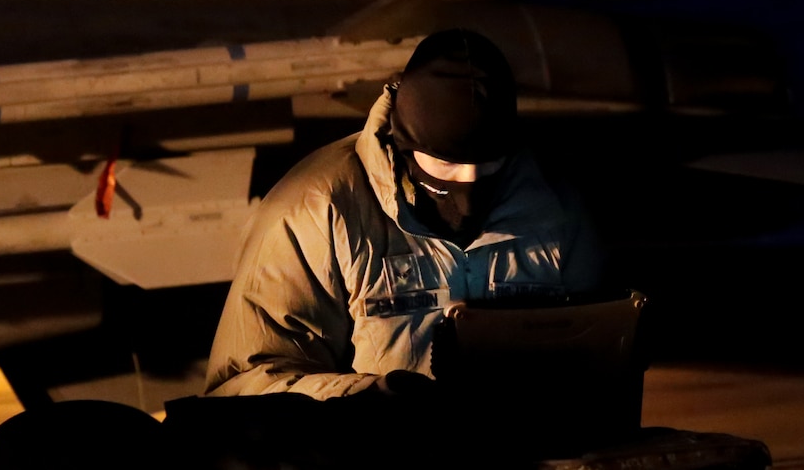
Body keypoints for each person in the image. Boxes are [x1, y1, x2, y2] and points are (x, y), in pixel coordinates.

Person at [203, 27, 609, 401]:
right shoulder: (318, 209)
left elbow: (601, 358)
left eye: (487, 165)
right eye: (445, 165)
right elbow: (243, 385)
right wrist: (372, 399)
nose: (467, 185)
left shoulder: (554, 206)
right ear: (405, 142)